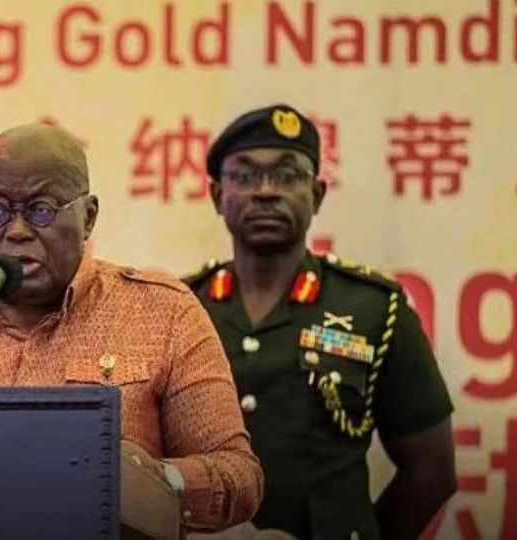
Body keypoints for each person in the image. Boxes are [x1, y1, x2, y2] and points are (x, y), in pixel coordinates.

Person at [0, 121, 263, 533]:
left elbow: (238, 475)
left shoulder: (163, 312)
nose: (16, 231)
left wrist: (149, 482)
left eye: (41, 209)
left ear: (88, 217)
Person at [183, 104, 456, 539]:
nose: (266, 191)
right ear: (217, 195)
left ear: (317, 194)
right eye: (246, 175)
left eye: (287, 175)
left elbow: (432, 470)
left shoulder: (374, 309)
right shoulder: (182, 309)